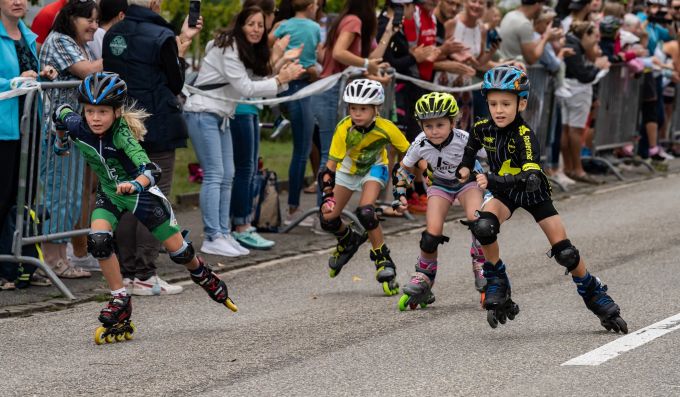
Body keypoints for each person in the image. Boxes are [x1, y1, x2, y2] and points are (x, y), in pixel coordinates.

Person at [52, 72, 237, 344]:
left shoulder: (122, 135)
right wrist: (61, 142)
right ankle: (120, 298)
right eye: (90, 111)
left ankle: (202, 272)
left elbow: (150, 169)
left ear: (117, 112)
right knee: (99, 240)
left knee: (180, 253)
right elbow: (60, 112)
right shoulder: (78, 125)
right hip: (110, 194)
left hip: (141, 195)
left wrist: (136, 185)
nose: (95, 118)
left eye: (102, 112)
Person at [456, 65, 627, 333]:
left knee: (566, 253)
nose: (499, 110)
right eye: (493, 104)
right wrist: (465, 167)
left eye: (506, 103)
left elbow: (531, 176)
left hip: (532, 192)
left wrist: (492, 179)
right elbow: (471, 146)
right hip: (504, 193)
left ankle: (597, 296)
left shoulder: (524, 135)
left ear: (521, 103)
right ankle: (497, 279)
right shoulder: (482, 128)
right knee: (483, 227)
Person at [184, 6, 303, 256]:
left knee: (228, 174)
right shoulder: (229, 47)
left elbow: (254, 84)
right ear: (240, 24)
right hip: (202, 112)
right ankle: (212, 235)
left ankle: (224, 233)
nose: (257, 29)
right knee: (216, 174)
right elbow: (246, 88)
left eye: (260, 25)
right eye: (251, 24)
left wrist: (281, 76)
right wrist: (281, 79)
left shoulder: (244, 50)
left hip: (221, 115)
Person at [103, 0, 202, 295]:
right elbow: (175, 81)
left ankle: (128, 272)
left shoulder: (112, 34)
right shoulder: (161, 36)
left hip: (121, 124)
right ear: (156, 3)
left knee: (125, 196)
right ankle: (145, 272)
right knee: (153, 197)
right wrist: (181, 45)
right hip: (155, 124)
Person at [391, 92, 488, 310]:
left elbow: (493, 155)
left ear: (453, 122)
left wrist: (494, 178)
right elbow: (403, 169)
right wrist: (399, 195)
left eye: (440, 125)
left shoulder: (465, 139)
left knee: (479, 223)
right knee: (430, 235)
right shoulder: (420, 142)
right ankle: (425, 277)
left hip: (467, 182)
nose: (434, 131)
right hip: (440, 185)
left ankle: (483, 267)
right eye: (428, 126)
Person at [318, 79, 410, 296]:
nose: (357, 113)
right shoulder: (344, 128)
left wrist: (405, 179)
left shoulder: (386, 128)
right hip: (347, 171)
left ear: (376, 109)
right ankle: (348, 239)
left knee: (366, 212)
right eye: (353, 108)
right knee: (328, 219)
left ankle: (383, 260)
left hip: (374, 169)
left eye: (363, 109)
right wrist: (328, 196)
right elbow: (329, 169)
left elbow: (411, 152)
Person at [40, 0, 102, 279]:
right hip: (55, 133)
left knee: (73, 196)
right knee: (59, 194)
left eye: (96, 20)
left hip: (72, 131)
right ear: (71, 18)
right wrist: (116, 55)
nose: (94, 26)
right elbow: (87, 72)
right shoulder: (60, 41)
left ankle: (60, 257)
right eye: (88, 20)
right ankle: (53, 260)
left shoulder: (80, 45)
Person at [0, 0, 58, 289]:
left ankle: (19, 264)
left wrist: (42, 74)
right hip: (4, 129)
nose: (17, 1)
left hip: (29, 126)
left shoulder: (28, 36)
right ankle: (4, 269)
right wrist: (13, 82)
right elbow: (14, 81)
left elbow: (29, 77)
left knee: (23, 200)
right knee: (3, 197)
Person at [273, 0, 322, 226]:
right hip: (302, 86)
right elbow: (318, 58)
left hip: (285, 86)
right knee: (302, 150)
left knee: (301, 149)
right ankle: (293, 209)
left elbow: (270, 43)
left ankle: (294, 206)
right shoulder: (314, 28)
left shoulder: (283, 25)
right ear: (312, 5)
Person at [558, 21, 610, 184]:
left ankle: (569, 168)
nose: (596, 41)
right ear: (585, 34)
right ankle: (577, 169)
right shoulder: (574, 45)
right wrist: (597, 67)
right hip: (577, 90)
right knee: (574, 130)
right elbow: (583, 75)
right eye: (594, 36)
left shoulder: (573, 43)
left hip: (568, 88)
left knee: (567, 129)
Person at [498, 0, 563, 65]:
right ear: (537, 4)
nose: (542, 8)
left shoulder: (510, 15)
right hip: (515, 71)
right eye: (542, 5)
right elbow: (531, 59)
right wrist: (546, 38)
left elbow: (529, 46)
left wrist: (545, 36)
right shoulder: (524, 24)